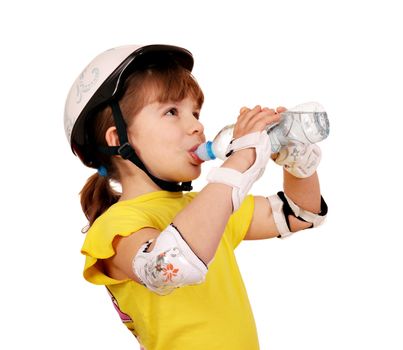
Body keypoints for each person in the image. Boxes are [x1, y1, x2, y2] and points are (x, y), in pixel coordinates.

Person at [64, 44, 328, 350]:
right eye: (172, 112)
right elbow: (167, 266)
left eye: (195, 112)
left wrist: (296, 159)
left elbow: (301, 213)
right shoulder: (114, 226)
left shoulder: (205, 207)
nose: (197, 126)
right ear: (118, 139)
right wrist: (239, 162)